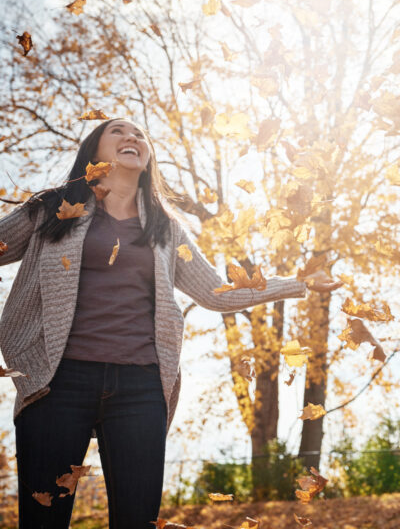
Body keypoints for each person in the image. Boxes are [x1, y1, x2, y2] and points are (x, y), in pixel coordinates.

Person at [0, 118, 340, 529]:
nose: (132, 138)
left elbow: (216, 291)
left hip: (140, 388)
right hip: (57, 382)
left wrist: (298, 283)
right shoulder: (53, 210)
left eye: (140, 135)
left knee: (138, 521)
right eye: (118, 132)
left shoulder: (166, 229)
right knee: (43, 518)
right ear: (94, 153)